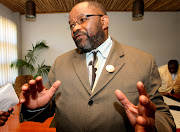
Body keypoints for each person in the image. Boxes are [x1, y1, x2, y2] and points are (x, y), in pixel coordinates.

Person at [19, 1, 176, 132]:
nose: (75, 28)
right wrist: (34, 108)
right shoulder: (60, 63)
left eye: (82, 20)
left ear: (104, 21)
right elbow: (46, 107)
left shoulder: (144, 62)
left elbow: (164, 117)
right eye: (71, 25)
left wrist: (151, 126)